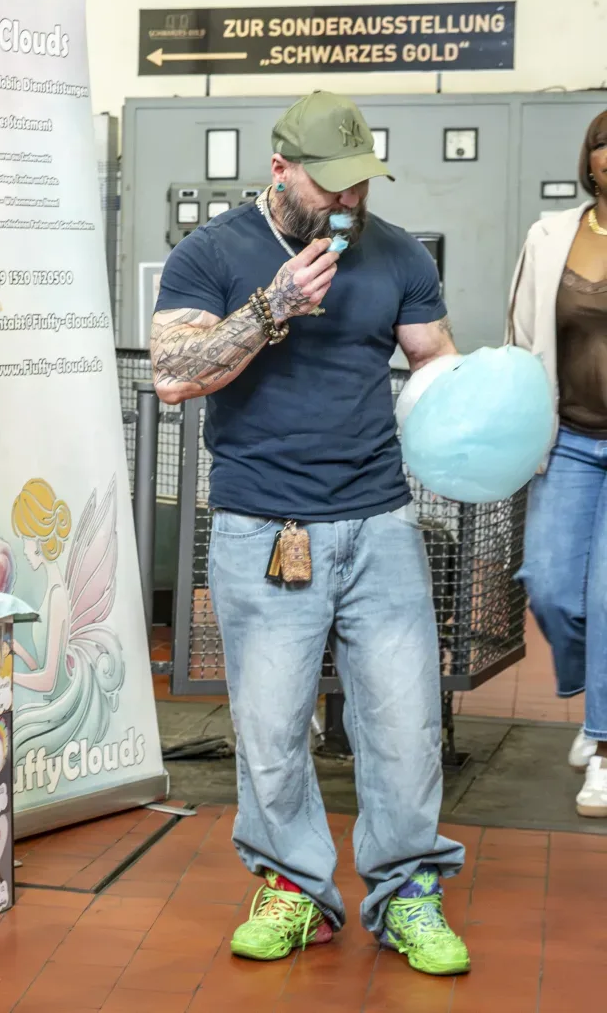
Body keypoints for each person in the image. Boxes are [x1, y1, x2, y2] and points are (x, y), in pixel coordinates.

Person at [150, 90, 468, 975]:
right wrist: (272, 306)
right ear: (280, 169)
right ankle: (295, 891)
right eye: (330, 186)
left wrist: (476, 413)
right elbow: (176, 376)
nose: (348, 203)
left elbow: (435, 360)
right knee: (271, 726)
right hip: (265, 528)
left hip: (382, 522)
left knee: (405, 724)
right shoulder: (211, 254)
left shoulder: (396, 253)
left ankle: (408, 890)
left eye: (359, 184)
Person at [508, 108, 607, 816]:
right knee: (549, 587)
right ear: (590, 158)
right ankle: (589, 691)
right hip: (568, 439)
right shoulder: (551, 236)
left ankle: (601, 744)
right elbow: (519, 335)